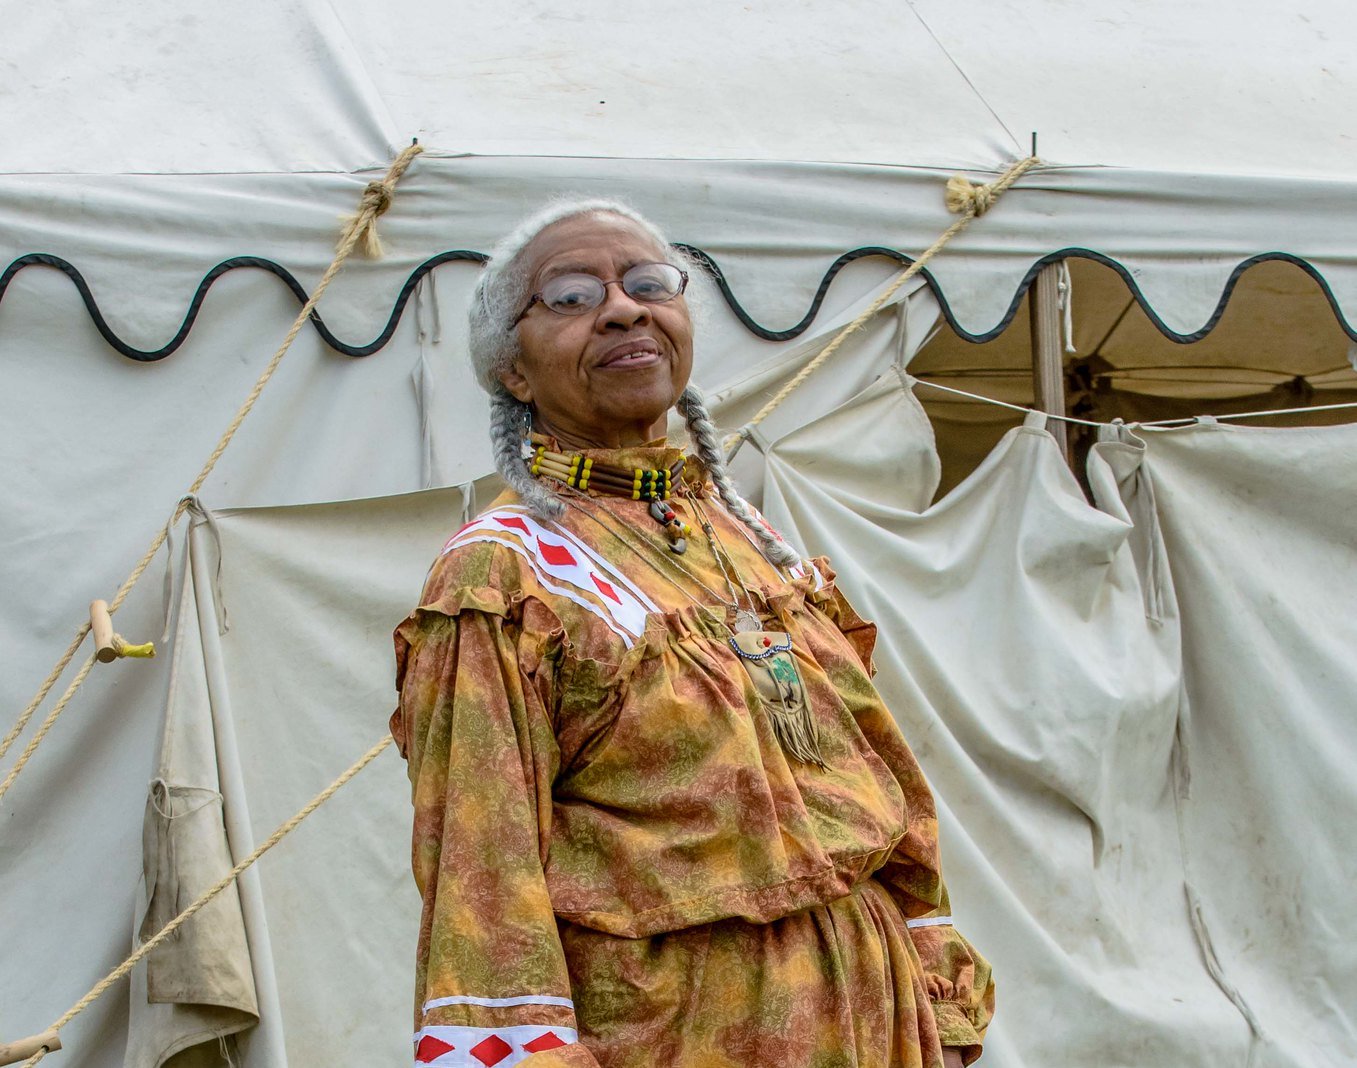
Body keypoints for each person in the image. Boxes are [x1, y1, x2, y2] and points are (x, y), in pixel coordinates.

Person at [391, 199, 994, 1068]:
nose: (622, 309)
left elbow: (879, 769)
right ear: (513, 372)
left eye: (647, 284)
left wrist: (935, 980)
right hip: (681, 1029)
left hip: (871, 1012)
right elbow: (481, 865)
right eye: (569, 296)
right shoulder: (503, 576)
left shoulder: (747, 538)